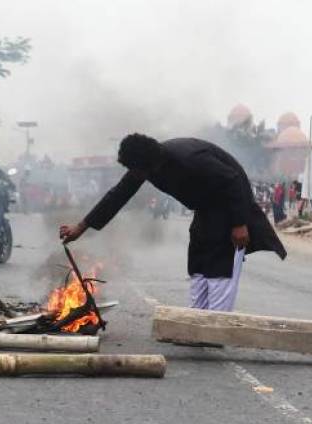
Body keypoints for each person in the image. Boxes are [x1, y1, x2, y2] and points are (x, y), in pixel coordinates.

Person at [60, 134, 286, 314]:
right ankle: (196, 321)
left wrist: (239, 223)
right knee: (198, 262)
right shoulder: (146, 166)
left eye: (136, 169)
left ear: (147, 163)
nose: (134, 174)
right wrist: (81, 227)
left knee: (219, 266)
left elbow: (233, 179)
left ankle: (217, 325)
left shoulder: (189, 158)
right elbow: (118, 194)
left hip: (229, 206)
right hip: (206, 208)